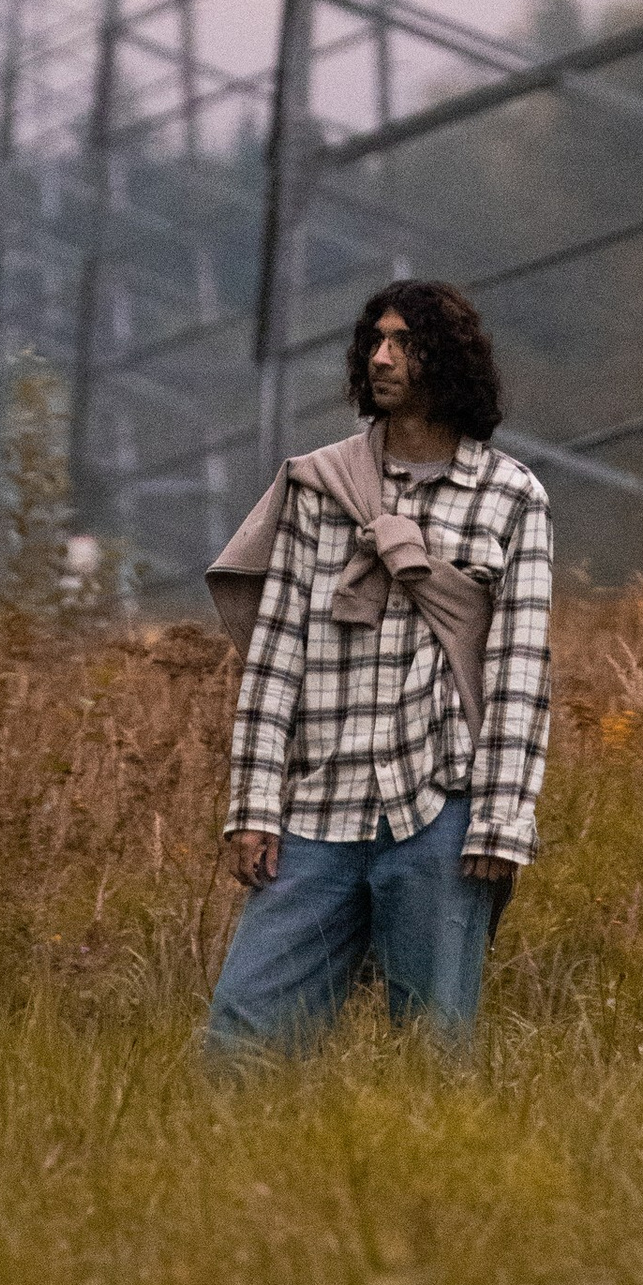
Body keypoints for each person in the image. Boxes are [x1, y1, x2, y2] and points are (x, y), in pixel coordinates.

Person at [202, 278, 552, 1057]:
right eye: (375, 342)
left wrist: (500, 820)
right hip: (320, 804)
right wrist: (254, 805)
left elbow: (520, 671)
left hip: (442, 807)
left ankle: (425, 1146)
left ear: (448, 361)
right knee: (241, 1038)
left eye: (404, 343)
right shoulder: (319, 486)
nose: (382, 358)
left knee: (433, 1043)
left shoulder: (511, 499)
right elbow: (276, 653)